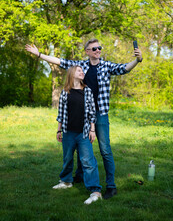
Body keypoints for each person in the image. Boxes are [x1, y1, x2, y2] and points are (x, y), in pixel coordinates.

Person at [25, 38, 143, 199]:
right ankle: (79, 177)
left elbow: (124, 68)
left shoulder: (106, 66)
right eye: (94, 49)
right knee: (82, 147)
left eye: (99, 48)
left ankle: (111, 186)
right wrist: (39, 54)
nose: (97, 50)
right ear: (87, 51)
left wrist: (137, 59)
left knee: (105, 150)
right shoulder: (82, 66)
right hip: (81, 115)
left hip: (100, 115)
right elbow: (60, 61)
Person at [53, 65, 102, 205]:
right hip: (68, 132)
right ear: (72, 73)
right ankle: (67, 181)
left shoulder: (87, 91)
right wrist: (59, 130)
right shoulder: (65, 91)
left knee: (88, 161)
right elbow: (61, 114)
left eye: (82, 71)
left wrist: (92, 130)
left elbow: (92, 113)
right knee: (67, 158)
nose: (82, 72)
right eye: (79, 70)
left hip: (84, 133)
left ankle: (95, 191)